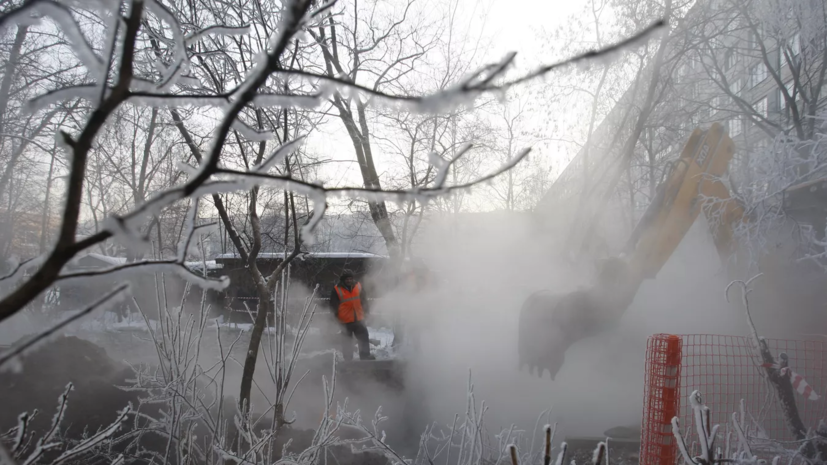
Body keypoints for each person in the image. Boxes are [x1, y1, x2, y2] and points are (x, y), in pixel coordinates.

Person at [329, 270, 375, 360]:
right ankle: (348, 359)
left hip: (359, 318)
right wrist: (335, 318)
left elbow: (363, 301)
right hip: (345, 320)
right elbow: (333, 305)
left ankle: (365, 356)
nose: (349, 280)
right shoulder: (337, 289)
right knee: (347, 341)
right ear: (343, 280)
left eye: (350, 278)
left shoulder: (358, 286)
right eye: (347, 279)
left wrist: (366, 312)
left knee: (363, 337)